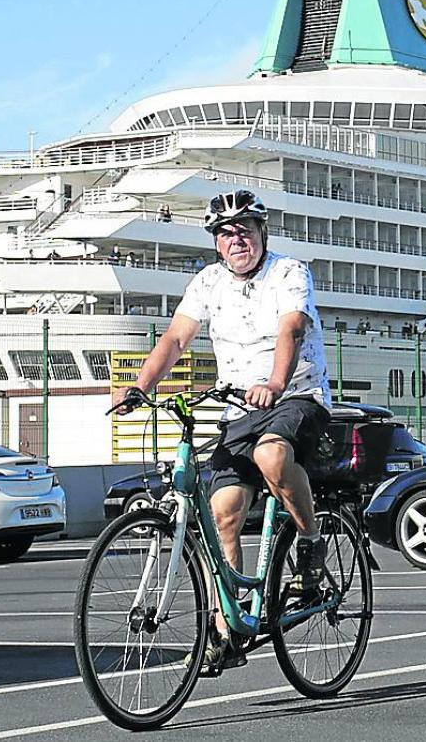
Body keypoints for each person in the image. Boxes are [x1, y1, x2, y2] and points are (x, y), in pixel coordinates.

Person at [117, 189, 332, 673]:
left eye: (246, 230)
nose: (238, 240)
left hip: (296, 394)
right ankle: (227, 624)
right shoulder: (207, 283)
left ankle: (312, 542)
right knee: (223, 511)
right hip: (237, 405)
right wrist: (140, 386)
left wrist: (275, 382)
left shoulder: (289, 272)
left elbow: (292, 329)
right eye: (227, 234)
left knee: (272, 457)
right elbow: (175, 337)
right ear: (216, 243)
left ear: (263, 234)